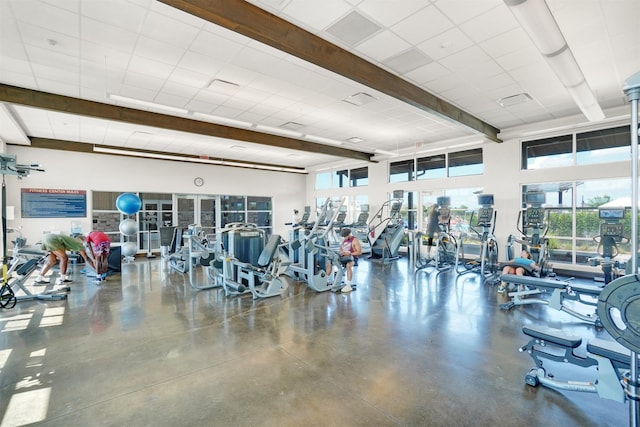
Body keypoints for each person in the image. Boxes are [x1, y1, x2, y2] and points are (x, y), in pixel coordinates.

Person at [327, 228, 362, 293]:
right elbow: (341, 248)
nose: (344, 238)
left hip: (352, 257)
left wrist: (350, 253)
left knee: (348, 266)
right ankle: (326, 280)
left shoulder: (355, 240)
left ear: (349, 235)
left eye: (345, 236)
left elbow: (359, 252)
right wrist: (341, 252)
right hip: (343, 256)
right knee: (330, 260)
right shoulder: (344, 240)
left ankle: (348, 285)